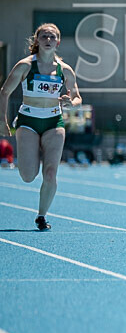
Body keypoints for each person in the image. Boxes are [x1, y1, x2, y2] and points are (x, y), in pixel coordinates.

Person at [0, 23, 82, 230]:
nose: (48, 40)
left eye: (52, 37)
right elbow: (4, 91)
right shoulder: (25, 66)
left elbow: (77, 96)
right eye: (44, 36)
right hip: (28, 122)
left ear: (58, 42)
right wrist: (2, 120)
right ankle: (30, 151)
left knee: (51, 172)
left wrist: (70, 102)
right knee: (28, 176)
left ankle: (41, 216)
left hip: (54, 122)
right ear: (37, 40)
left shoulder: (65, 70)